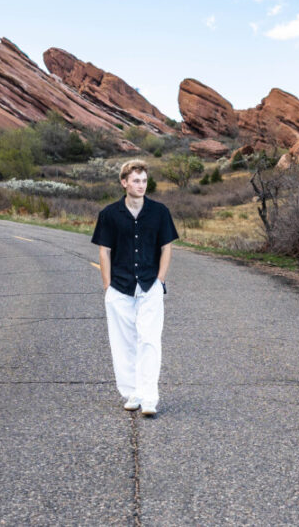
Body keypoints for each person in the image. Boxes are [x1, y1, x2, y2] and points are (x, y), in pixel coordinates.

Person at [91, 159, 178, 416]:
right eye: (136, 180)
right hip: (119, 287)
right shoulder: (109, 214)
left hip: (150, 285)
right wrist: (107, 287)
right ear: (124, 182)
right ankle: (132, 392)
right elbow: (104, 251)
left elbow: (167, 247)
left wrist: (160, 280)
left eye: (144, 180)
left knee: (149, 341)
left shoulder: (160, 212)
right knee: (123, 343)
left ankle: (149, 397)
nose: (141, 185)